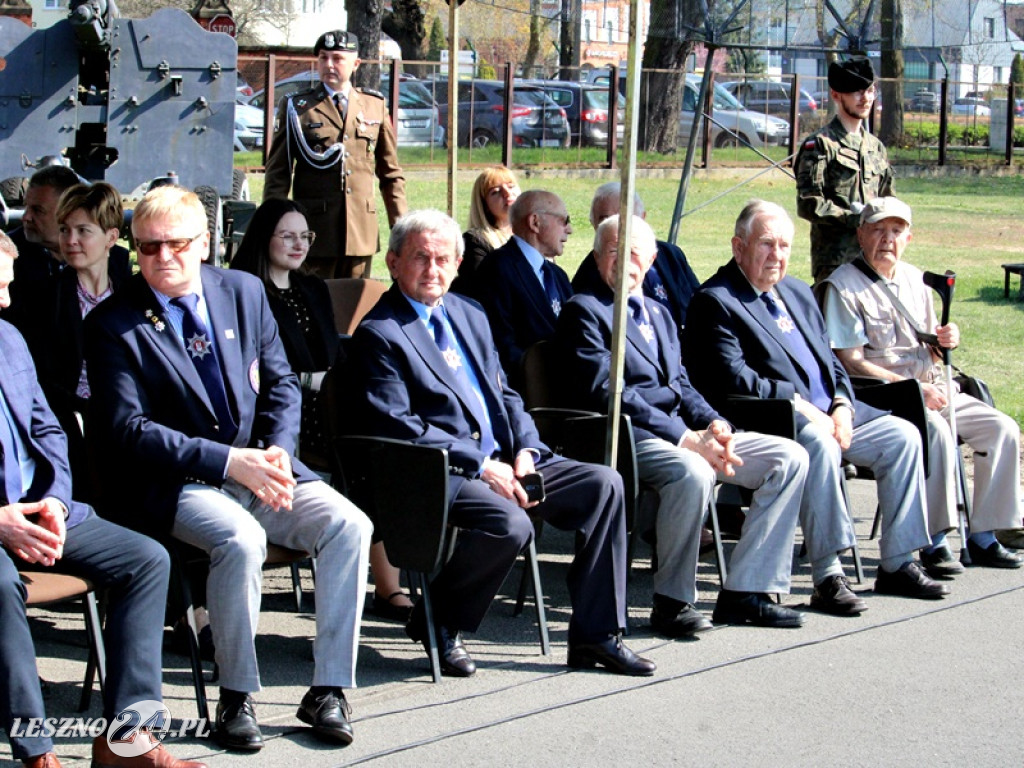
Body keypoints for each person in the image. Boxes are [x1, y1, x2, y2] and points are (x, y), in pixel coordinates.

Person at [83, 186, 373, 752]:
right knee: (240, 541)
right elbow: (128, 429)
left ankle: (329, 688)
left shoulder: (242, 291)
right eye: (146, 248)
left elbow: (283, 382)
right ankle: (236, 695)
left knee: (350, 526)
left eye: (174, 244)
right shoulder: (113, 323)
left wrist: (279, 452)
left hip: (261, 466)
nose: (161, 258)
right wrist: (229, 462)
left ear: (206, 242)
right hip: (180, 480)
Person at [344, 209, 655, 678]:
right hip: (437, 468)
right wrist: (481, 465)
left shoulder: (468, 313)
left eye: (443, 259)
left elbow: (505, 393)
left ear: (458, 262)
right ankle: (438, 621)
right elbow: (399, 425)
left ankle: (595, 635)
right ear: (392, 261)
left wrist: (526, 447)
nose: (433, 270)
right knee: (509, 524)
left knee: (604, 484)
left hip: (508, 457)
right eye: (420, 258)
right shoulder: (381, 333)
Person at [0, 232, 203, 768]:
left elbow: (49, 429)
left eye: (7, 286)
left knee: (146, 559)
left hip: (42, 510)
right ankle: (36, 752)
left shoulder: (8, 338)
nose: (5, 300)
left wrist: (57, 504)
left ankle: (127, 744)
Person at [558, 215, 814, 633]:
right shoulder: (584, 311)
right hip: (627, 437)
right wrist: (685, 438)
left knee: (789, 457)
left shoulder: (659, 313)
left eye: (636, 253)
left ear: (654, 258)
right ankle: (672, 601)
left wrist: (715, 424)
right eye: (613, 251)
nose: (625, 262)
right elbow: (610, 392)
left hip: (684, 432)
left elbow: (681, 383)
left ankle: (746, 591)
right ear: (598, 256)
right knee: (693, 470)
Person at [684, 200, 948, 601]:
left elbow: (831, 361)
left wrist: (841, 403)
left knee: (903, 435)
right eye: (766, 245)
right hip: (775, 418)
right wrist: (801, 405)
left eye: (785, 246)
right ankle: (828, 572)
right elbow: (733, 378)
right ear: (739, 247)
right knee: (820, 443)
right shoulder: (717, 300)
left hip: (834, 412)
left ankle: (897, 562)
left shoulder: (796, 291)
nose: (777, 256)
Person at [230, 198, 414, 621]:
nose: (299, 245)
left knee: (374, 447)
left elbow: (331, 351)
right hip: (279, 409)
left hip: (328, 397)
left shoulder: (312, 287)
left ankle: (388, 586)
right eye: (287, 236)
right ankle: (385, 587)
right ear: (264, 238)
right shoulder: (244, 290)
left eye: (305, 237)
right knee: (359, 455)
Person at [821, 196, 1023, 567]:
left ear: (909, 237)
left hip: (932, 386)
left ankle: (984, 534)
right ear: (861, 234)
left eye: (896, 231)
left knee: (1003, 428)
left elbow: (931, 347)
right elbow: (848, 361)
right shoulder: (842, 287)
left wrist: (947, 340)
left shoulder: (918, 280)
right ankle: (934, 540)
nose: (887, 239)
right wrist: (911, 388)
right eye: (879, 230)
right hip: (885, 396)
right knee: (939, 435)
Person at [8, 182, 129, 501]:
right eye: (64, 229)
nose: (71, 240)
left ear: (111, 238)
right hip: (72, 429)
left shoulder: (134, 296)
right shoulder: (42, 300)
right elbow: (39, 380)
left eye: (83, 231)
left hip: (132, 423)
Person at [263, 29, 407, 279]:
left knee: (355, 307)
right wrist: (273, 225)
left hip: (360, 231)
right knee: (314, 307)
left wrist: (402, 228)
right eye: (323, 58)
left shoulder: (374, 104)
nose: (329, 65)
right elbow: (278, 173)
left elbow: (391, 174)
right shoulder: (298, 108)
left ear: (356, 64)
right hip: (315, 232)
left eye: (338, 58)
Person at [795, 56, 894, 282]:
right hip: (836, 263)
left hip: (874, 259)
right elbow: (808, 204)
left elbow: (888, 199)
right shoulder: (820, 145)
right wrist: (855, 219)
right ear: (836, 95)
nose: (865, 98)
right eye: (856, 92)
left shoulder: (875, 147)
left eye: (870, 91)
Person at [2, 167, 130, 324]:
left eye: (38, 210)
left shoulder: (115, 261)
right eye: (26, 207)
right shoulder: (7, 257)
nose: (26, 217)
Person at [571, 181, 701, 336]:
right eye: (605, 219)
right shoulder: (589, 276)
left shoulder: (670, 254)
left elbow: (699, 303)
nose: (616, 226)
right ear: (594, 225)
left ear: (643, 217)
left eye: (624, 217)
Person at [471, 189, 574, 376]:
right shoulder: (497, 268)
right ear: (535, 222)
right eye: (563, 221)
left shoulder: (558, 276)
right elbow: (500, 343)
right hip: (529, 390)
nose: (570, 229)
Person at [450, 165, 520, 296]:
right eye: (496, 192)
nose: (507, 193)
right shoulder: (475, 241)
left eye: (511, 186)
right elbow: (484, 292)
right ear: (485, 205)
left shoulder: (536, 235)